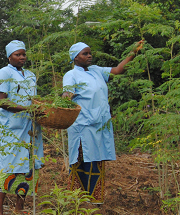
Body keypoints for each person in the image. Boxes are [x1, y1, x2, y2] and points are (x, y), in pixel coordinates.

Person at [62, 41, 144, 204]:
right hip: (82, 126)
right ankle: (78, 201)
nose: (89, 56)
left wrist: (133, 52)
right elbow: (67, 95)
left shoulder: (96, 71)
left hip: (99, 125)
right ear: (75, 57)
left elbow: (118, 70)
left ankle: (95, 200)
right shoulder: (71, 75)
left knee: (96, 160)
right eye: (85, 53)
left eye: (90, 53)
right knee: (82, 160)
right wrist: (63, 101)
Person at [0, 40, 44, 215]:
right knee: (8, 166)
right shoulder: (3, 73)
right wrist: (26, 110)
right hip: (12, 128)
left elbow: (34, 100)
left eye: (23, 54)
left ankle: (19, 208)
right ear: (9, 56)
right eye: (18, 54)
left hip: (30, 127)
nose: (22, 57)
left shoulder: (30, 75)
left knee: (27, 167)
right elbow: (1, 100)